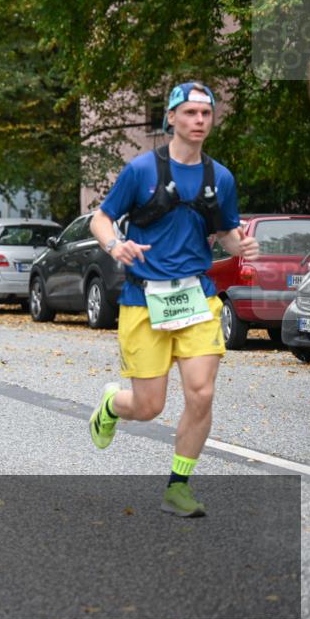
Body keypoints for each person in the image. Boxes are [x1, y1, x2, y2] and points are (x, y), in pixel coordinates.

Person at [88, 82, 260, 517]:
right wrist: (116, 245)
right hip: (144, 300)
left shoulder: (220, 178)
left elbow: (226, 233)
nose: (199, 120)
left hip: (196, 297)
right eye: (190, 113)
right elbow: (101, 219)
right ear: (171, 118)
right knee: (149, 406)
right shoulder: (141, 170)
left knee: (201, 394)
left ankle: (177, 488)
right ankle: (112, 405)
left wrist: (241, 246)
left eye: (206, 113)